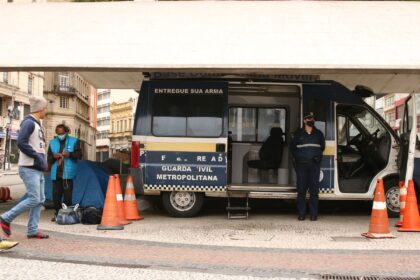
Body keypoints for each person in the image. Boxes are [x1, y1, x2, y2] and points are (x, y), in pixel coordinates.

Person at [0, 96, 49, 239]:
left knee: (40, 199)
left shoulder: (37, 124)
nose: (46, 111)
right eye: (45, 108)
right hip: (29, 168)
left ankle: (32, 230)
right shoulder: (29, 123)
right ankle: (6, 218)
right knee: (34, 199)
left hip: (36, 168)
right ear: (40, 109)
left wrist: (41, 160)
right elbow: (21, 142)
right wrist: (38, 157)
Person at [290, 112, 325, 221]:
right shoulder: (298, 134)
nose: (311, 120)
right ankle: (301, 214)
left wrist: (317, 157)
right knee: (301, 190)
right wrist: (299, 158)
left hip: (314, 165)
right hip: (302, 166)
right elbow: (292, 148)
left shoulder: (319, 133)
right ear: (304, 120)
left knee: (314, 191)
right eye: (309, 118)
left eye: (313, 118)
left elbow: (322, 147)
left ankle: (313, 214)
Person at [47, 124, 82, 222]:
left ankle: (67, 215)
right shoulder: (52, 143)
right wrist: (53, 156)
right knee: (56, 196)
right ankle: (58, 214)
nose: (60, 135)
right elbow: (49, 159)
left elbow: (79, 155)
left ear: (66, 132)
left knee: (67, 196)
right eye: (58, 133)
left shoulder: (74, 141)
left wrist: (70, 154)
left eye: (61, 133)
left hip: (68, 174)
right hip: (56, 174)